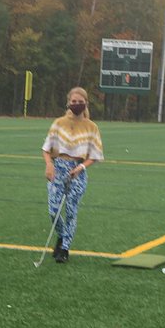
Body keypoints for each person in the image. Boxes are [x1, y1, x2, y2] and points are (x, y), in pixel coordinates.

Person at [41, 86, 103, 262]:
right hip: (58, 168)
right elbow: (46, 149)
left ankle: (65, 249)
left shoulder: (91, 127)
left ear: (85, 103)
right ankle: (61, 235)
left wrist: (81, 167)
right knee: (53, 210)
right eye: (73, 102)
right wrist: (49, 165)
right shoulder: (58, 123)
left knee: (70, 210)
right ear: (68, 103)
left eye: (80, 102)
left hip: (77, 172)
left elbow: (95, 155)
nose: (76, 104)